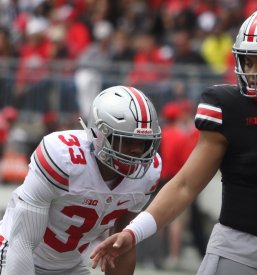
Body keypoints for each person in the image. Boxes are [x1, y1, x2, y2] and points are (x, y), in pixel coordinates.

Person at [91, 7, 257, 275]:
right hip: (238, 257)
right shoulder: (229, 107)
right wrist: (134, 233)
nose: (252, 72)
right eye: (247, 61)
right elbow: (185, 185)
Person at [0, 85, 162, 275]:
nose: (137, 151)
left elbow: (122, 245)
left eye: (144, 143)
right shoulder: (62, 157)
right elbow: (23, 242)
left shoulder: (149, 172)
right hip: (13, 253)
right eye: (126, 141)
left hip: (68, 266)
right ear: (100, 135)